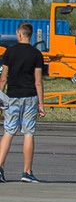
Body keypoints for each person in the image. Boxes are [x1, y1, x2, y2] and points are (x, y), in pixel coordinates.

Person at [0, 22, 45, 183]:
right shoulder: (36, 54)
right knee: (28, 132)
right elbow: (38, 81)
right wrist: (41, 104)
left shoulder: (9, 53)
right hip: (30, 96)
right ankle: (26, 172)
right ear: (30, 35)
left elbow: (3, 78)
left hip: (12, 96)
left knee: (9, 131)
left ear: (19, 34)